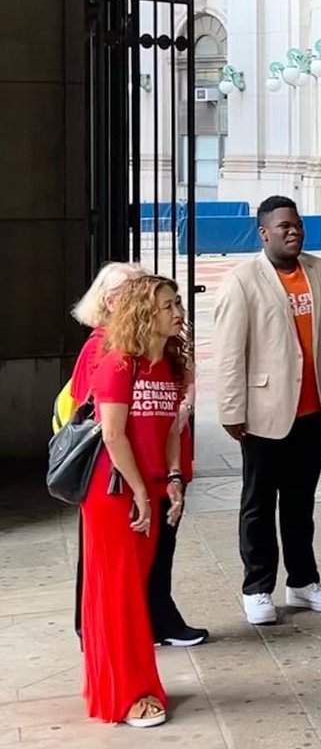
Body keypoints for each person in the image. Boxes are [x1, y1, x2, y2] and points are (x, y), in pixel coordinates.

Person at [213, 195, 321, 626]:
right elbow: (230, 353)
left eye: (298, 225)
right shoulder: (242, 280)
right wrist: (232, 410)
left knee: (300, 502)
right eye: (284, 226)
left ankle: (303, 581)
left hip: (311, 409)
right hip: (263, 412)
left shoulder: (319, 271)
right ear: (264, 232)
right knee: (258, 504)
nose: (293, 232)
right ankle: (257, 587)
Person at [67, 263, 207, 648]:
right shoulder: (105, 350)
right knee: (115, 567)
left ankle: (155, 617)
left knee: (160, 549)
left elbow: (175, 403)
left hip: (160, 464)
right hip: (119, 477)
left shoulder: (160, 353)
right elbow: (100, 421)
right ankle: (104, 629)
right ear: (114, 302)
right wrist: (138, 487)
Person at [80, 275, 188, 726]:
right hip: (114, 492)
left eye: (176, 302)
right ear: (144, 313)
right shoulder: (119, 363)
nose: (176, 310)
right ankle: (127, 694)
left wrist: (174, 477)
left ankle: (126, 681)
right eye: (166, 305)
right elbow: (112, 433)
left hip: (151, 488)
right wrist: (142, 492)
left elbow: (168, 429)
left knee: (133, 593)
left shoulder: (168, 363)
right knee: (117, 594)